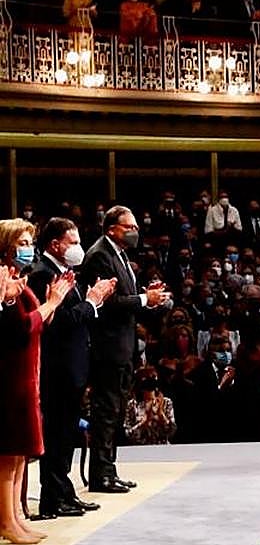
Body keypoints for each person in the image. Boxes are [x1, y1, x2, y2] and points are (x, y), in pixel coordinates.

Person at [27, 218, 115, 520]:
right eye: (73, 242)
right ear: (55, 244)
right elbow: (57, 323)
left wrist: (95, 300)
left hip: (72, 366)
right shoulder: (42, 275)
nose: (78, 248)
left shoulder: (64, 273)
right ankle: (53, 497)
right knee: (57, 435)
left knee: (66, 435)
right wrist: (91, 302)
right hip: (57, 368)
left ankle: (64, 492)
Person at [81, 206, 171, 494]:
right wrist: (145, 298)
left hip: (122, 346)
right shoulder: (99, 256)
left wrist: (148, 296)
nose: (135, 231)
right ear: (112, 229)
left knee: (115, 412)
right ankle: (101, 475)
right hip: (107, 348)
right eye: (129, 227)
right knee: (106, 412)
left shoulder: (118, 255)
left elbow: (124, 298)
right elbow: (107, 303)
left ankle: (109, 470)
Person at [0, 220, 74, 545]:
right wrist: (52, 304)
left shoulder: (18, 277)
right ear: (7, 245)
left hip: (28, 371)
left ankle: (16, 514)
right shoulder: (4, 279)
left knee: (20, 453)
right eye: (24, 241)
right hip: (10, 374)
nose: (29, 246)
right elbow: (19, 329)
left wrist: (52, 302)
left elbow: (37, 323)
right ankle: (7, 521)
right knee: (9, 450)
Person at [124, 367, 177, 445]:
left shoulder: (166, 402)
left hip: (162, 448)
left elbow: (171, 432)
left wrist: (161, 414)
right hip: (140, 449)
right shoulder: (132, 404)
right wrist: (144, 422)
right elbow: (128, 434)